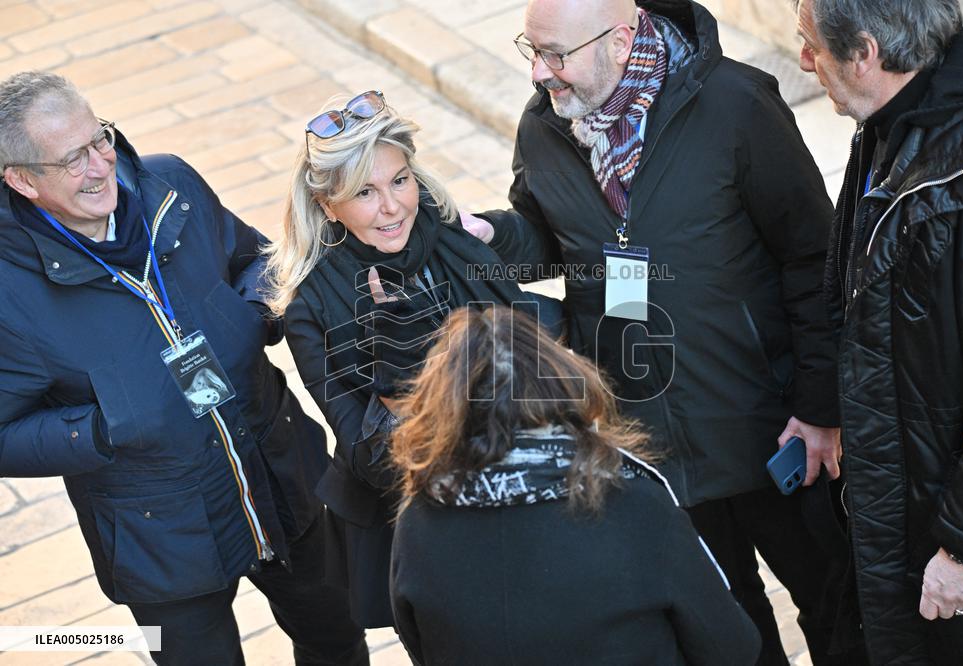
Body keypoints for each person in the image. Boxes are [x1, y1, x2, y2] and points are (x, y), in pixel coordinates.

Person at [460, 0, 842, 662]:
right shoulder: (546, 127)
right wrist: (495, 236)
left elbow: (815, 261)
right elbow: (551, 235)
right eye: (532, 49)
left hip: (769, 431)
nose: (538, 74)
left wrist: (818, 408)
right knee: (728, 637)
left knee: (841, 613)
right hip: (651, 447)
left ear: (623, 37)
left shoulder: (736, 106)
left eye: (557, 54)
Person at [0, 72, 367, 664]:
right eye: (72, 160)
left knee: (338, 639)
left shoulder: (171, 182)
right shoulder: (7, 293)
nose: (101, 167)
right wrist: (103, 427)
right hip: (161, 537)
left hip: (282, 476)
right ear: (21, 180)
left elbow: (252, 259)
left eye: (100, 140)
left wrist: (247, 318)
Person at [264, 92, 539, 628]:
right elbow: (370, 460)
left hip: (531, 495)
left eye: (399, 180)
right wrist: (402, 382)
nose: (392, 207)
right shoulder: (313, 309)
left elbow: (545, 335)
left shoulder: (455, 243)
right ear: (328, 205)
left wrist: (632, 281)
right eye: (364, 192)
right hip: (436, 532)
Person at [793, 0, 963, 662]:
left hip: (957, 538)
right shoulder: (889, 128)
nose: (804, 61)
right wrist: (824, 408)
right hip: (904, 505)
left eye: (811, 45)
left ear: (866, 55)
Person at [389, 305, 762, 665]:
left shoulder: (417, 521)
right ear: (562, 380)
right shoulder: (635, 505)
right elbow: (732, 648)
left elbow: (421, 646)